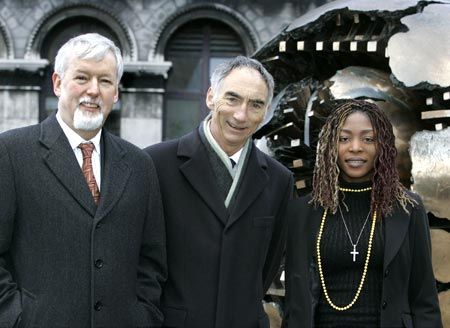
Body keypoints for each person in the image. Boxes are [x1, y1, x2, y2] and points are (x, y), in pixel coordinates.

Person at [0, 33, 166, 328]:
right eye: (82, 77)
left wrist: (143, 317)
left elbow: (151, 260)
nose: (93, 90)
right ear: (57, 83)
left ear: (116, 93)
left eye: (105, 81)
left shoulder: (140, 164)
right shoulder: (11, 153)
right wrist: (16, 319)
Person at [145, 56, 294, 327]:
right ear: (211, 97)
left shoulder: (279, 180)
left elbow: (268, 266)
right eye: (232, 99)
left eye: (255, 104)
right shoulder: (155, 165)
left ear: (266, 111)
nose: (241, 115)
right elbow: (141, 265)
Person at [283, 100, 442, 327]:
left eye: (368, 139)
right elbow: (294, 305)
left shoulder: (409, 208)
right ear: (330, 145)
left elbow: (424, 299)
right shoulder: (302, 211)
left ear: (383, 146)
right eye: (344, 138)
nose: (356, 147)